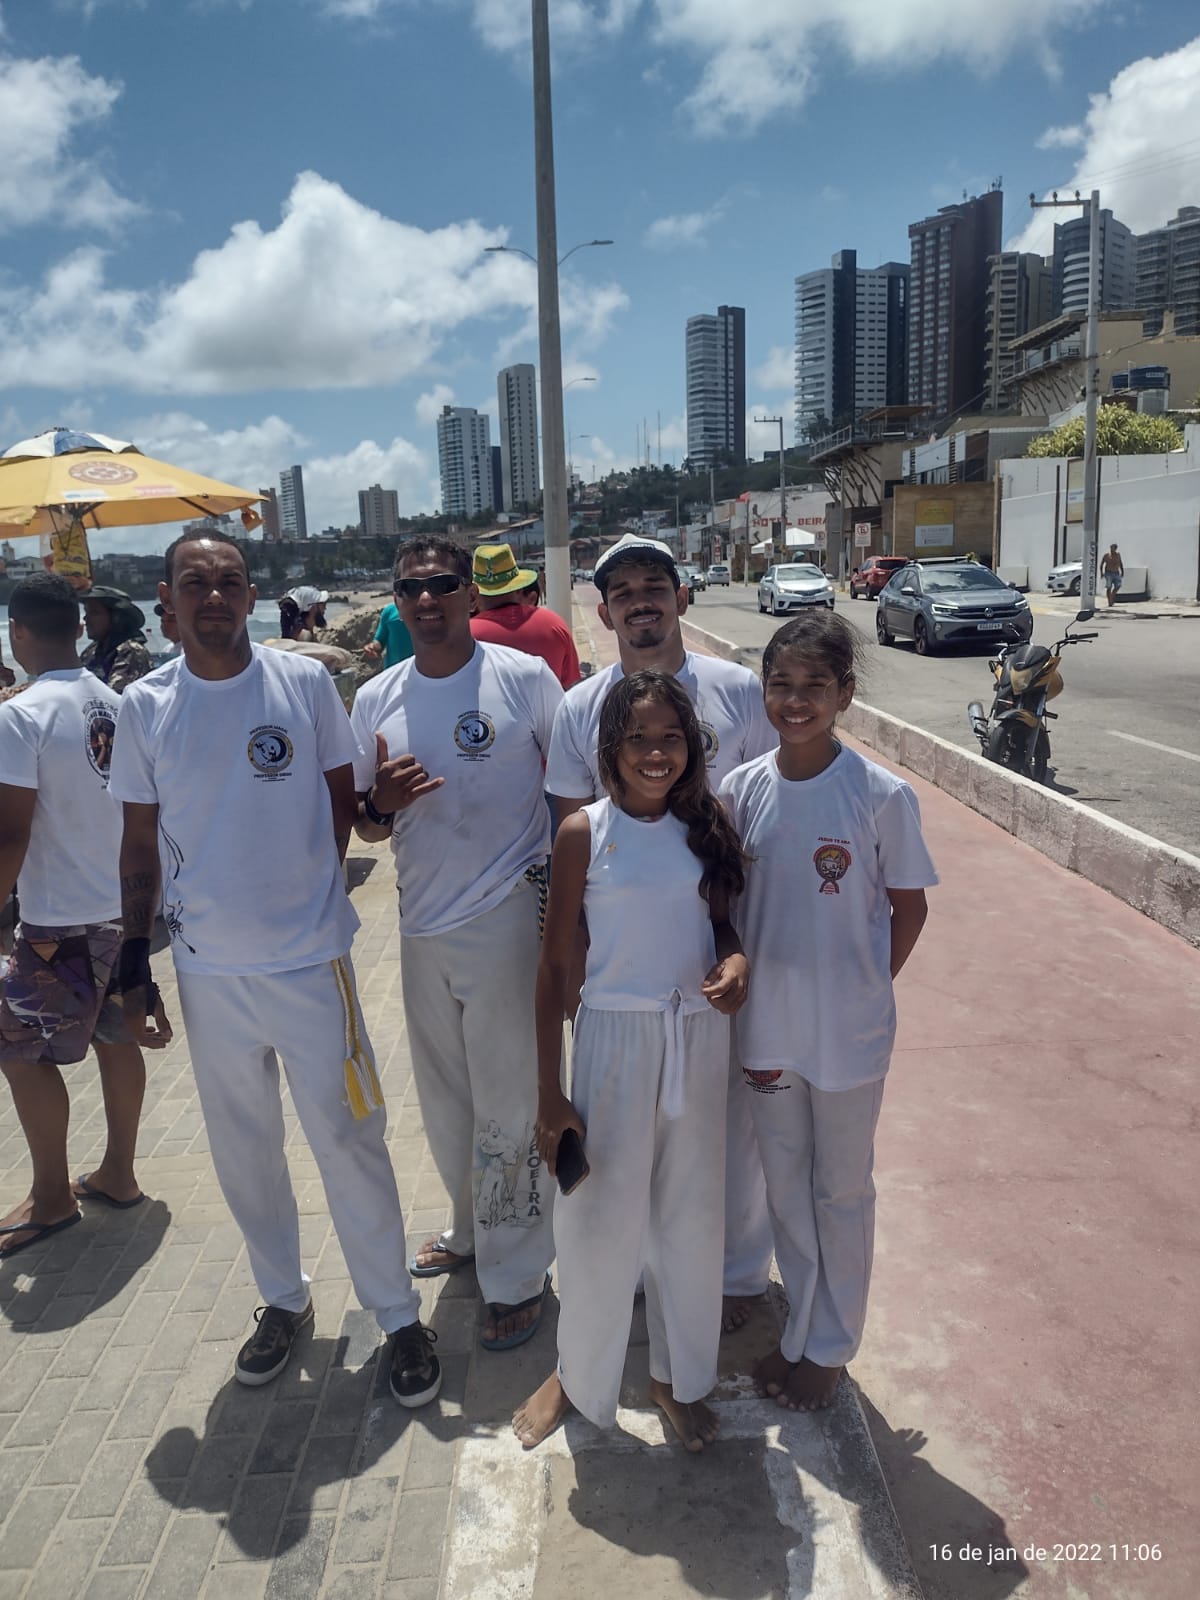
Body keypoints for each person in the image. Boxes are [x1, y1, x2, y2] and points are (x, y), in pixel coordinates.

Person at [108, 530, 440, 1406]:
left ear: (250, 593)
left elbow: (348, 812)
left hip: (311, 965)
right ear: (166, 599)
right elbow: (138, 842)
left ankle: (399, 1315)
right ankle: (282, 1300)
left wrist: (368, 823)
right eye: (195, 583)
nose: (214, 596)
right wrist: (134, 966)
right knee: (244, 1153)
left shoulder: (302, 684)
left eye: (229, 581)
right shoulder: (143, 706)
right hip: (209, 975)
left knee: (351, 1142)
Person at [512, 670, 750, 1452]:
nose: (657, 753)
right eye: (639, 739)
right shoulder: (585, 831)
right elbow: (554, 970)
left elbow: (720, 927)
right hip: (613, 1037)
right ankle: (576, 1375)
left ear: (693, 745)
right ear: (609, 749)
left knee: (690, 1219)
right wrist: (551, 1093)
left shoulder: (706, 822)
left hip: (697, 1039)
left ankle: (677, 1379)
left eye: (671, 737)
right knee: (595, 1221)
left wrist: (735, 960)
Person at [545, 532, 777, 1330]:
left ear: (682, 597)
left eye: (655, 584)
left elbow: (774, 791)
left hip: (730, 926)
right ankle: (639, 1277)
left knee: (729, 1125)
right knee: (631, 1136)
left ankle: (739, 1277)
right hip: (629, 964)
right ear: (603, 612)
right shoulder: (580, 707)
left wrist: (743, 938)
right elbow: (574, 838)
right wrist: (579, 974)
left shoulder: (738, 690)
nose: (640, 600)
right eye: (622, 591)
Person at [718, 612, 936, 1412]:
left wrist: (866, 990)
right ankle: (802, 1328)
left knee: (842, 1191)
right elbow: (728, 903)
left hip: (848, 1037)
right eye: (781, 684)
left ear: (846, 693)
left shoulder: (879, 796)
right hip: (768, 1031)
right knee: (786, 1188)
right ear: (763, 691)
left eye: (815, 685)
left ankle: (833, 1349)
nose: (796, 699)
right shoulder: (740, 793)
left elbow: (908, 910)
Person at [350, 536, 563, 1352]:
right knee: (446, 1103)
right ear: (395, 600)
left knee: (512, 1102)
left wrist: (568, 911)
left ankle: (518, 1274)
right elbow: (363, 829)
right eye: (412, 587)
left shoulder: (522, 678)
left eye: (442, 584)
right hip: (419, 922)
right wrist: (379, 802)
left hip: (509, 911)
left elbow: (571, 781)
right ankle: (473, 1234)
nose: (428, 599)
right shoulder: (377, 698)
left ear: (470, 593)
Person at [0, 574, 149, 1259]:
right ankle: (118, 1172)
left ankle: (54, 1197)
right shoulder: (119, 703)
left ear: (19, 631)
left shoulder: (20, 713)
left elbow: (10, 834)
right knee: (116, 1038)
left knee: (19, 1049)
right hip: (123, 906)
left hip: (58, 918)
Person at [469, 543, 581, 689]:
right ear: (517, 587)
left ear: (474, 593)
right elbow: (572, 686)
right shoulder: (553, 624)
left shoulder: (466, 635)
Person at [81, 586, 153, 694]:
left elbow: (113, 699)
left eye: (94, 613)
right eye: (87, 612)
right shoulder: (92, 651)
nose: (86, 619)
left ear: (116, 618)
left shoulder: (131, 651)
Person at [362, 600, 414, 669]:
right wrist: (373, 647)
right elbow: (380, 640)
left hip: (424, 672)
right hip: (394, 672)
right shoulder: (390, 611)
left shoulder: (427, 612)